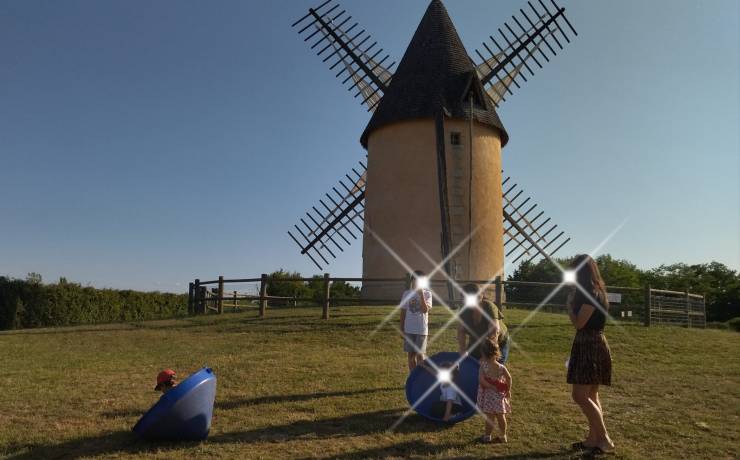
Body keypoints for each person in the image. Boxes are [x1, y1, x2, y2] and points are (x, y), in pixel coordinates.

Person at [566, 254, 615, 455]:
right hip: (593, 342)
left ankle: (604, 438)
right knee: (592, 394)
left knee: (579, 395)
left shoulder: (589, 294)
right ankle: (593, 439)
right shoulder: (598, 291)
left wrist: (569, 306)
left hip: (589, 345)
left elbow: (579, 323)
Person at [456, 283, 509, 363]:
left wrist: (487, 356)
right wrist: (463, 350)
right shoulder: (464, 309)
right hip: (477, 340)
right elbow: (461, 331)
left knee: (492, 369)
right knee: (471, 364)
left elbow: (494, 332)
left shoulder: (489, 307)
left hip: (498, 341)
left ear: (479, 297)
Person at [477, 338, 512, 443]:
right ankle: (503, 436)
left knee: (490, 417)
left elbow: (481, 380)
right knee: (501, 416)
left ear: (483, 354)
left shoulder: (483, 367)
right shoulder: (501, 367)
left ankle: (487, 436)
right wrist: (508, 389)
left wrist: (490, 386)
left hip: (488, 396)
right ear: (497, 353)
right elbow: (509, 378)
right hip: (500, 395)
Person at [400, 270, 433, 372]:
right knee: (410, 356)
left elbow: (425, 310)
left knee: (420, 356)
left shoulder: (427, 294)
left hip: (421, 329)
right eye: (415, 280)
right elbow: (403, 312)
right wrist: (402, 328)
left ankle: (421, 379)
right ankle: (412, 378)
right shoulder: (406, 294)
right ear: (412, 281)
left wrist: (421, 294)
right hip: (409, 329)